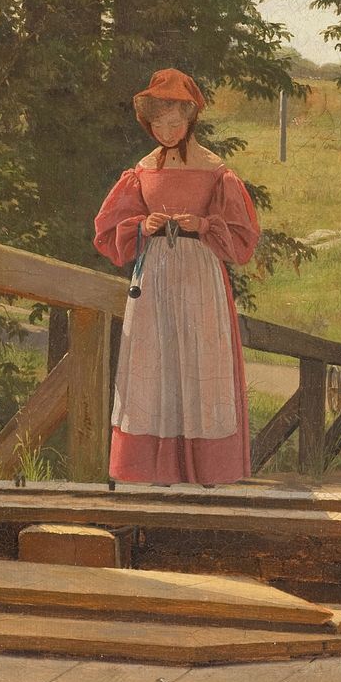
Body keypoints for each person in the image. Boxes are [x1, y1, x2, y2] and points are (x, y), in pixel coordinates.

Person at [93, 68, 260, 486]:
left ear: (190, 121)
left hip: (199, 273)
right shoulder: (143, 170)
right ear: (148, 124)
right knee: (156, 357)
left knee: (199, 356)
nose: (166, 131)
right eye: (158, 123)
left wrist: (203, 226)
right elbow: (109, 228)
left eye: (175, 122)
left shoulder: (215, 170)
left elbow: (241, 234)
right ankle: (153, 469)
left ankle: (205, 470)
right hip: (154, 276)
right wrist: (141, 225)